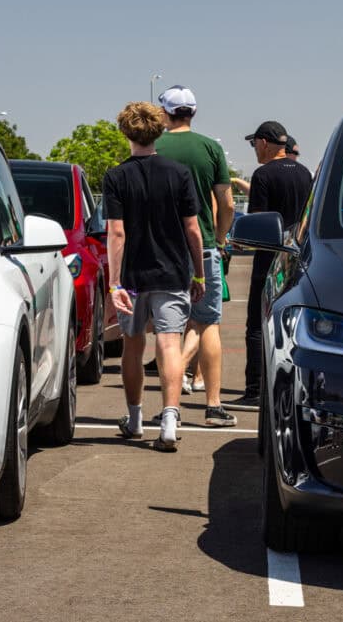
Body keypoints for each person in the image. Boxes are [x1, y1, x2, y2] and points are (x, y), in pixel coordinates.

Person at [104, 102, 205, 452]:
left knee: (133, 346)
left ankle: (134, 420)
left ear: (126, 132)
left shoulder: (116, 177)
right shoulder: (178, 174)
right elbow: (193, 229)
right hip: (172, 271)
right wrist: (200, 274)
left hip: (132, 275)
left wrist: (114, 283)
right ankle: (169, 421)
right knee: (169, 343)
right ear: (158, 131)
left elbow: (116, 234)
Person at [154, 85, 237, 427]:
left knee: (167, 329)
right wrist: (218, 238)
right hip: (201, 243)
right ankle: (213, 405)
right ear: (194, 113)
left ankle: (169, 404)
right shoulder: (211, 148)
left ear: (165, 113)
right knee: (208, 321)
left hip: (162, 248)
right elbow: (228, 204)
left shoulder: (154, 146)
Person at [224, 121, 312, 411]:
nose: (254, 150)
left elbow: (256, 221)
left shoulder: (262, 175)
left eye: (254, 144)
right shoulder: (305, 174)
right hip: (299, 256)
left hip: (269, 256)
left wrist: (240, 240)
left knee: (256, 324)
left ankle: (254, 390)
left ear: (264, 143)